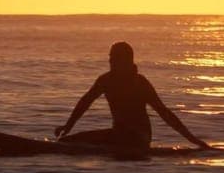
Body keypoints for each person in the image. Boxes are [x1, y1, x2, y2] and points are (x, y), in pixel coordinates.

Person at [55, 42, 211, 151]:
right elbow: (85, 102)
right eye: (110, 57)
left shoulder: (140, 83)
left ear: (127, 61)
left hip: (138, 137)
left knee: (70, 144)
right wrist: (67, 127)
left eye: (115, 58)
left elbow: (164, 113)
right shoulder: (106, 80)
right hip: (117, 134)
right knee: (65, 142)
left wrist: (194, 140)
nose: (110, 61)